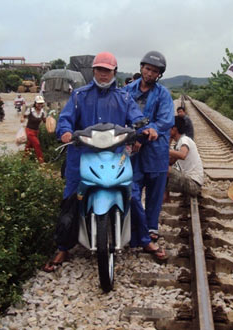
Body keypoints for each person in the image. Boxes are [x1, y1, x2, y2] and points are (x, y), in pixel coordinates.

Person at [44, 52, 161, 272]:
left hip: (115, 157)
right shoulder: (79, 96)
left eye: (107, 70)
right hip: (82, 156)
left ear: (114, 72)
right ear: (93, 71)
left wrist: (146, 129)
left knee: (133, 194)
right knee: (70, 198)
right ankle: (63, 247)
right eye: (99, 69)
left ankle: (144, 239)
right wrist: (66, 132)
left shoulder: (124, 98)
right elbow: (65, 120)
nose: (102, 74)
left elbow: (137, 118)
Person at [123, 51, 174, 246]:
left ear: (159, 74)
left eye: (155, 71)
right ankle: (136, 229)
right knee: (132, 191)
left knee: (154, 193)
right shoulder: (127, 91)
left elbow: (166, 120)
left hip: (156, 151)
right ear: (141, 68)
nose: (150, 73)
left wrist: (149, 131)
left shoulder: (164, 95)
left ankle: (151, 229)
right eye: (147, 68)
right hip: (132, 151)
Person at [167, 116, 204, 197]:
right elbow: (170, 162)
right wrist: (168, 143)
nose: (167, 130)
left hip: (194, 184)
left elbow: (183, 155)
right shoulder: (178, 144)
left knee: (164, 169)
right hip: (190, 183)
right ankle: (165, 199)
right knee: (163, 168)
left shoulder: (184, 140)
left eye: (169, 128)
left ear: (175, 129)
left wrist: (165, 151)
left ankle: (165, 200)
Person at [21, 95, 46, 164]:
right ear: (35, 103)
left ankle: (23, 161)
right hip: (29, 131)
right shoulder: (31, 110)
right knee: (37, 144)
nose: (40, 105)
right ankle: (41, 161)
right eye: (38, 103)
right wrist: (22, 118)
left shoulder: (42, 112)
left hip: (36, 131)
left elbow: (45, 120)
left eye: (41, 103)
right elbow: (24, 116)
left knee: (29, 146)